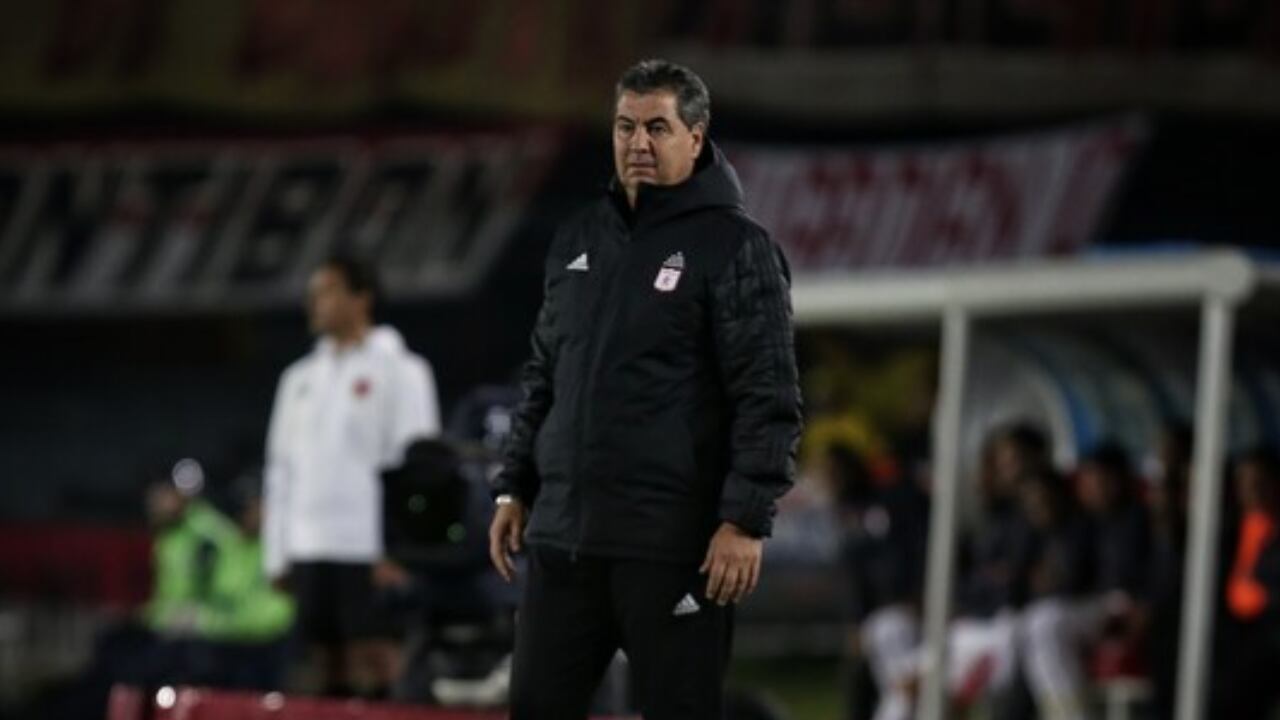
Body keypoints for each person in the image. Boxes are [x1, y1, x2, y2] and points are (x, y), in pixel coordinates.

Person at [487, 58, 803, 720]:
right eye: (625, 127)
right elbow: (545, 373)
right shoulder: (577, 239)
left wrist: (744, 520)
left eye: (657, 127)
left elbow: (767, 396)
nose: (637, 144)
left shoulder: (735, 247)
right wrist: (516, 486)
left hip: (672, 547)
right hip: (565, 541)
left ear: (696, 134)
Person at [263, 254, 441, 698]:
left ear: (361, 298)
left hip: (367, 549)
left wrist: (399, 549)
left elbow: (416, 467)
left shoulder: (403, 370)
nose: (314, 303)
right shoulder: (297, 379)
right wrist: (277, 552)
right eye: (313, 295)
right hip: (308, 547)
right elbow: (280, 470)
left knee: (377, 661)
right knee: (322, 666)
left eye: (326, 292)